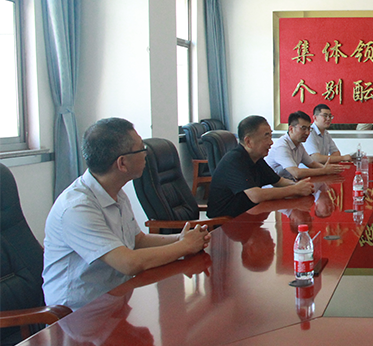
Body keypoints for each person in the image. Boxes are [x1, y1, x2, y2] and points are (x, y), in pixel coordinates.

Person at [42, 118, 211, 310]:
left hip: (115, 299)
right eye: (141, 149)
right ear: (122, 163)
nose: (146, 154)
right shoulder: (77, 208)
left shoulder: (115, 191)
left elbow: (137, 240)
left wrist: (180, 238)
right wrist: (184, 246)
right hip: (77, 314)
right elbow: (128, 263)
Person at [206, 115, 315, 218]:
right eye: (266, 137)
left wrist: (301, 186)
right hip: (227, 222)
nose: (271, 142)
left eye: (271, 136)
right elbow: (256, 195)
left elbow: (279, 181)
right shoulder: (234, 160)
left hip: (249, 215)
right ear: (248, 141)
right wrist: (295, 189)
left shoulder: (256, 158)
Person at [266, 111, 346, 180]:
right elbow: (297, 173)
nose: (307, 133)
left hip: (289, 183)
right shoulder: (282, 146)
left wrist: (328, 168)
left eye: (309, 129)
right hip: (273, 187)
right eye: (303, 128)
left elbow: (312, 164)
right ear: (291, 129)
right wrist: (324, 170)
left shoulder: (299, 145)